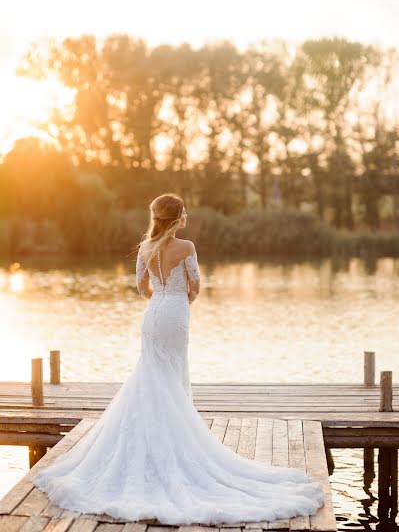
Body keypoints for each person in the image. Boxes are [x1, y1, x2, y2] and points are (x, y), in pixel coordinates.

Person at [32, 192, 324, 525]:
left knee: (150, 375)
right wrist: (181, 301)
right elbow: (196, 286)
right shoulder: (186, 248)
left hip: (153, 314)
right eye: (184, 212)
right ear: (179, 217)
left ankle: (149, 446)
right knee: (171, 376)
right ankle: (173, 445)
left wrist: (160, 295)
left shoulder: (145, 248)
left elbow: (142, 288)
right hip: (175, 314)